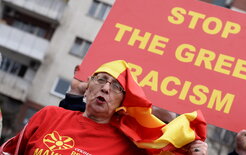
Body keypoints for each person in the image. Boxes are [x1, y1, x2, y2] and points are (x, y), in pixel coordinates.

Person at [2, 60, 207, 155]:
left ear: (123, 101)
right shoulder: (49, 115)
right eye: (101, 79)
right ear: (88, 84)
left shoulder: (130, 145)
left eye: (116, 87)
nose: (106, 88)